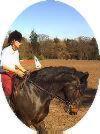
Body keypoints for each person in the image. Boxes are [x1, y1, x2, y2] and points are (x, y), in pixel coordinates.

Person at [1, 30, 27, 100]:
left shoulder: (16, 52)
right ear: (13, 41)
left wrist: (25, 71)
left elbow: (17, 64)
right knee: (9, 90)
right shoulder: (6, 50)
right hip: (5, 73)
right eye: (18, 41)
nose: (20, 43)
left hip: (13, 72)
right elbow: (3, 66)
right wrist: (16, 71)